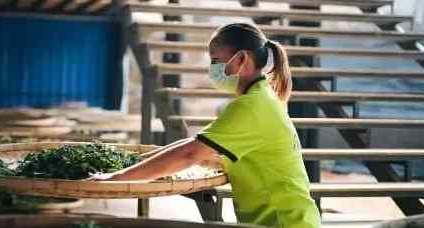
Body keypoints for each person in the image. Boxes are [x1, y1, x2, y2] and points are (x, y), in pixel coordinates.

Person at [90, 22, 321, 227]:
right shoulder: (262, 97)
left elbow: (190, 153)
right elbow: (197, 143)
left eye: (215, 60)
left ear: (241, 59)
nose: (213, 70)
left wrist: (116, 178)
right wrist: (139, 162)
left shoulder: (252, 105)